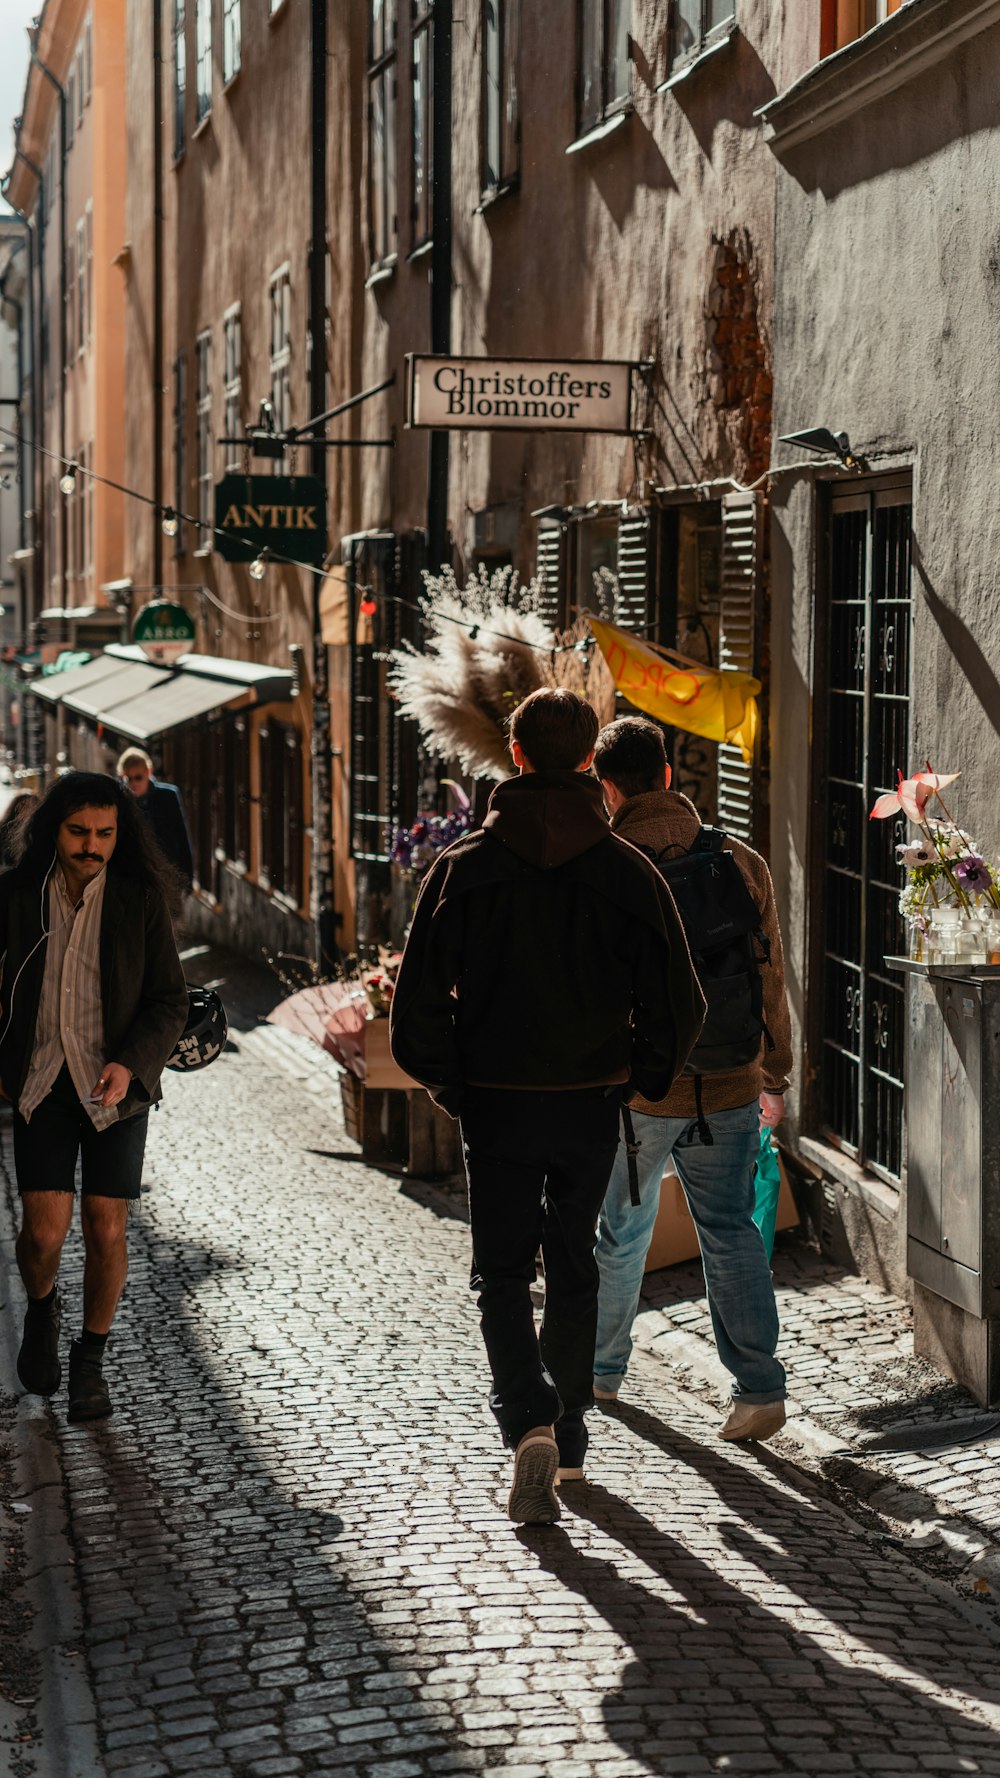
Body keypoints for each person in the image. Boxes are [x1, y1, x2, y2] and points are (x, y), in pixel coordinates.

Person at [390, 689, 705, 1524]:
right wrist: (638, 1076)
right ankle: (563, 1432)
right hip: (588, 1102)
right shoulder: (627, 872)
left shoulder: (463, 868)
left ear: (517, 758)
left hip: (496, 1104)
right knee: (575, 1264)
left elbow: (415, 1009)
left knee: (499, 1271)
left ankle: (527, 1414)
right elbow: (681, 1001)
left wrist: (455, 1084)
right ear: (590, 769)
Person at [591, 716, 793, 1443]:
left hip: (643, 1089)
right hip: (734, 1082)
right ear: (670, 776)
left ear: (608, 787)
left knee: (620, 1234)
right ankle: (761, 1388)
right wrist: (775, 1072)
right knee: (731, 1232)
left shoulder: (605, 863)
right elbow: (770, 973)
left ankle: (603, 1371)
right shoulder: (740, 859)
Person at [0, 772, 188, 1421]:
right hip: (43, 1084)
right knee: (43, 1235)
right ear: (54, 827)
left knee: (106, 1226)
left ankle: (90, 1364)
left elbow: (170, 1001)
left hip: (117, 1091)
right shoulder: (18, 895)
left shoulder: (139, 900)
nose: (92, 846)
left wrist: (130, 1065)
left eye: (105, 834)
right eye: (80, 832)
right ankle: (44, 1309)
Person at [117, 746, 194, 889]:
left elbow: (182, 836)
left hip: (165, 875)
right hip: (133, 878)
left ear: (149, 772)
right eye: (129, 778)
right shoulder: (120, 801)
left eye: (138, 777)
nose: (133, 783)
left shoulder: (168, 797)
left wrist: (188, 877)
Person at [0, 791, 40, 870]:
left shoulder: (39, 832)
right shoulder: (5, 831)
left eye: (35, 807)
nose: (31, 811)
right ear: (17, 809)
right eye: (27, 807)